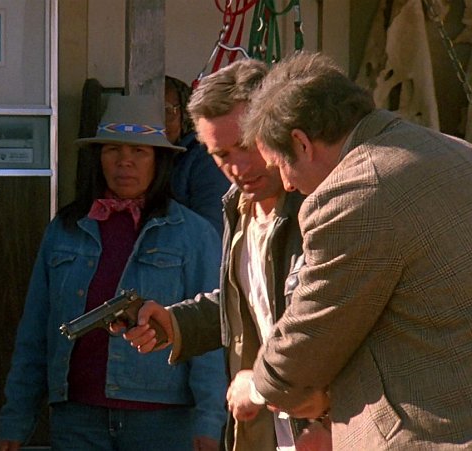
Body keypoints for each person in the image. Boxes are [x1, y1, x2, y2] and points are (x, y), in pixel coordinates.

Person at [239, 51, 472, 449]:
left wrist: (257, 387)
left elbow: (312, 334)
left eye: (279, 166)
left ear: (301, 142)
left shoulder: (355, 192)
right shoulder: (456, 152)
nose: (288, 185)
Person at [0, 95, 227, 451]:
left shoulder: (193, 234)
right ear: (98, 158)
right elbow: (35, 332)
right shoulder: (66, 228)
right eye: (112, 149)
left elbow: (209, 335)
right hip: (78, 417)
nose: (125, 161)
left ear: (159, 161)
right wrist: (16, 419)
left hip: (162, 422)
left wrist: (209, 422)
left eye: (139, 151)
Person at [120, 60, 329, 451]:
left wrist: (328, 422)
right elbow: (249, 298)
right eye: (221, 154)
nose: (238, 167)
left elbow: (332, 321)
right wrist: (175, 323)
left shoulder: (320, 206)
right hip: (268, 430)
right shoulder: (239, 206)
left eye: (247, 146)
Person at [165, 75, 230, 237]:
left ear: (185, 114)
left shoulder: (203, 158)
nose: (158, 121)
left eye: (167, 110)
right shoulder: (137, 157)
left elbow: (211, 232)